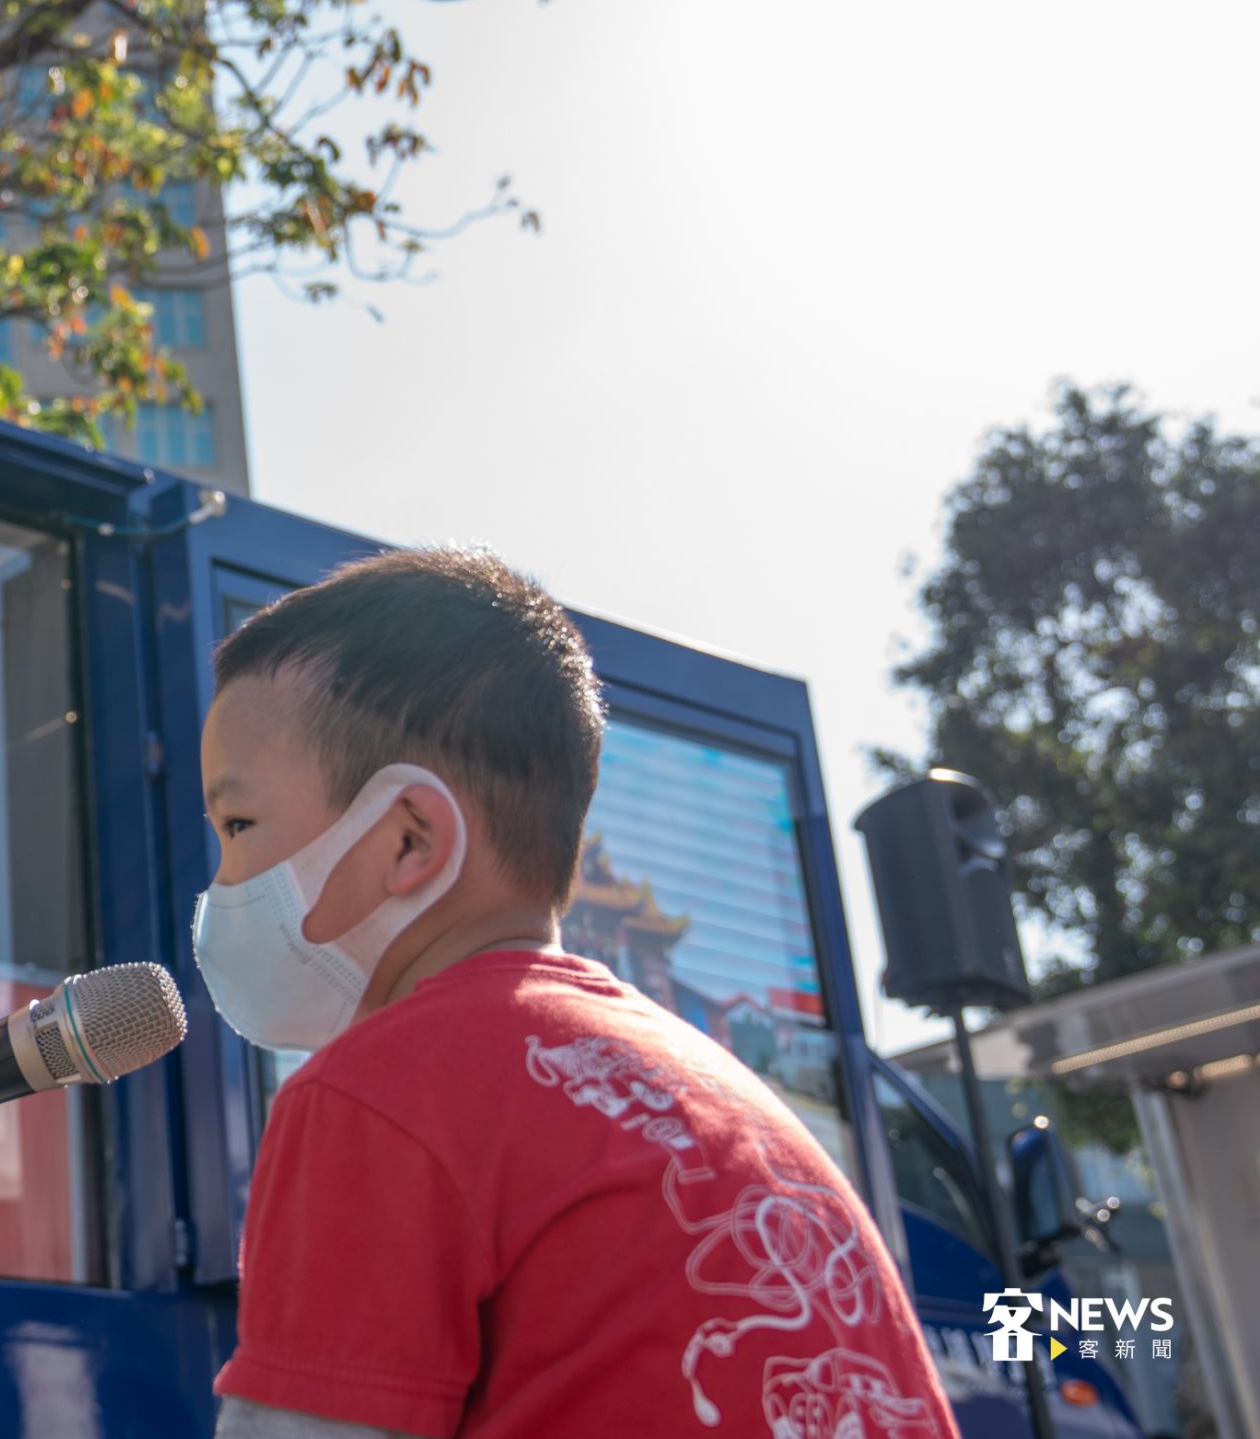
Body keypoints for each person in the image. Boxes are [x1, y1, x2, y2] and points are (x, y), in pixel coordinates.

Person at [194, 547, 957, 1439]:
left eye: (239, 825)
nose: (223, 877)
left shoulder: (373, 1094)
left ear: (408, 840)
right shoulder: (745, 1113)